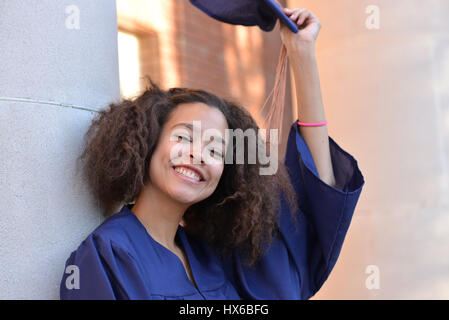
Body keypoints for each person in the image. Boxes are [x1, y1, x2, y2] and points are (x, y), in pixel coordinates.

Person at [60, 7, 365, 300]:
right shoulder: (109, 255)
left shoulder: (214, 258)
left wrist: (303, 53)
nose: (198, 155)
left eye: (215, 150)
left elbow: (311, 216)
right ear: (147, 144)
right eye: (183, 136)